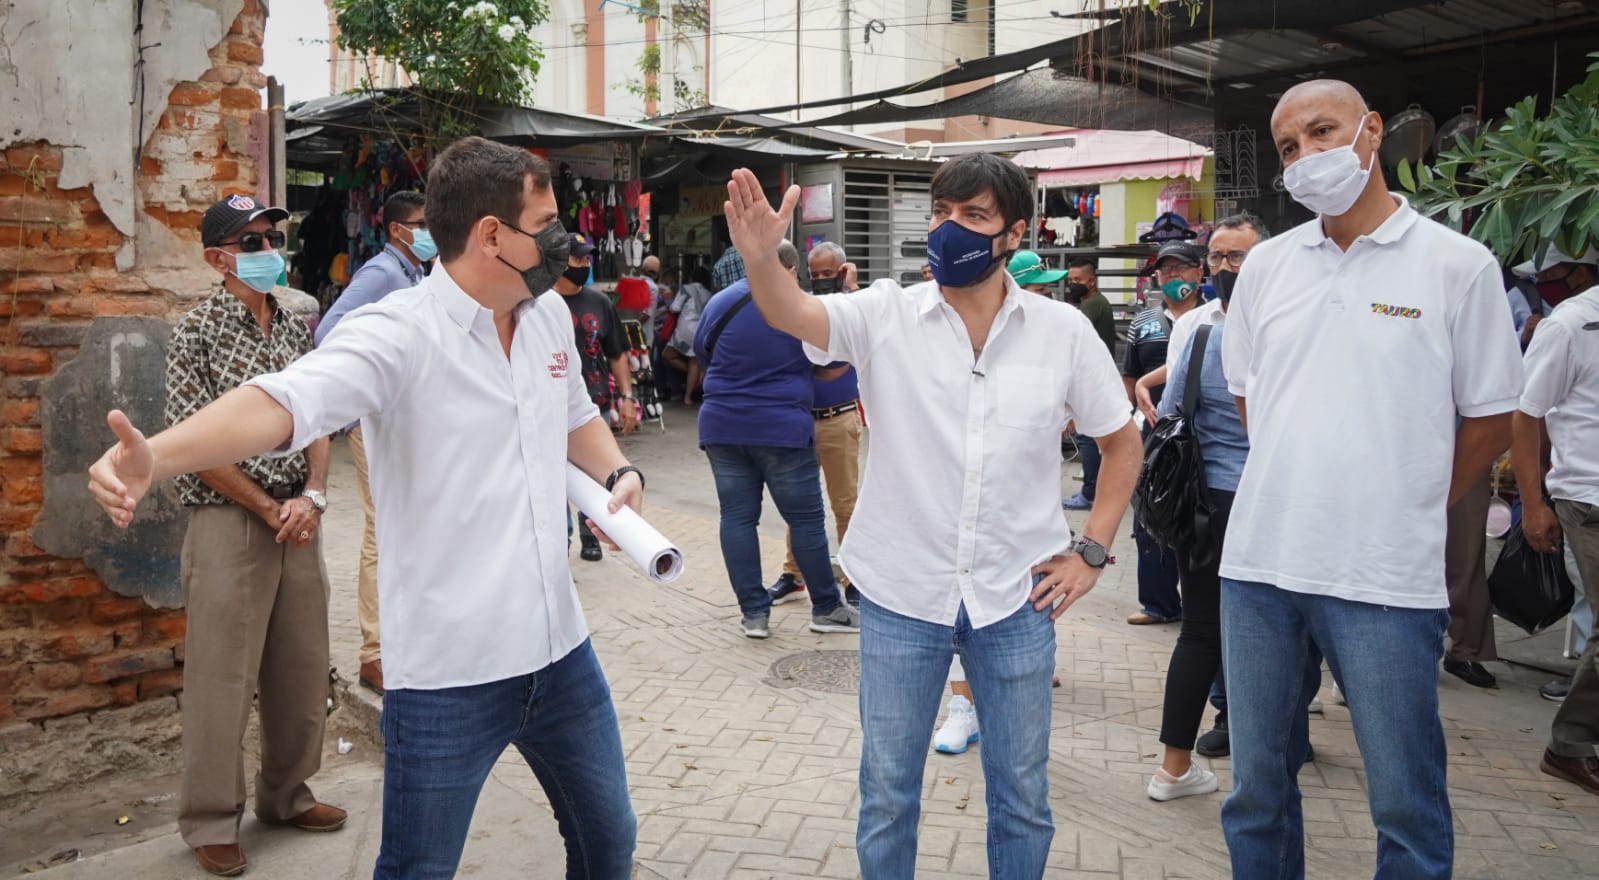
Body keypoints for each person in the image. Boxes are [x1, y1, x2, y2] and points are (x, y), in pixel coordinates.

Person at [88, 138, 640, 879]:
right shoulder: (397, 333)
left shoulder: (544, 317)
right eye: (544, 221)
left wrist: (617, 469)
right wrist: (157, 455)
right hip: (450, 676)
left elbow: (575, 412)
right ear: (491, 236)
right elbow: (287, 401)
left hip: (563, 656)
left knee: (609, 843)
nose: (560, 238)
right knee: (418, 868)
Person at [723, 152, 1142, 877]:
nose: (950, 231)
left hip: (1017, 598)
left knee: (1021, 798)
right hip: (899, 596)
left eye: (973, 217)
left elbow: (1120, 441)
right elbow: (792, 311)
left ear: (1014, 232)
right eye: (942, 214)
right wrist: (763, 259)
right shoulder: (886, 312)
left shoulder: (1061, 332)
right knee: (887, 794)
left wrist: (1094, 551)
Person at [1219, 81, 1522, 879]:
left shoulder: (1458, 266)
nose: (1307, 155)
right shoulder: (1266, 269)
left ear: (1372, 131)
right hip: (1256, 571)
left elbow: (1490, 417)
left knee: (1404, 802)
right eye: (1289, 147)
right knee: (1255, 792)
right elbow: (1252, 400)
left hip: (1384, 579)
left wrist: (1410, 497)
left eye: (1322, 131)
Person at [159, 195, 342, 876]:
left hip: (299, 517)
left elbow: (319, 414)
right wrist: (268, 507)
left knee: (301, 662)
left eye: (273, 236)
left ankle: (287, 795)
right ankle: (210, 818)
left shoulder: (296, 325)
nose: (269, 248)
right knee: (222, 675)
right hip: (230, 520)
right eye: (252, 240)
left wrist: (313, 496)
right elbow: (191, 443)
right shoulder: (196, 332)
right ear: (217, 257)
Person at [1145, 213, 1265, 802]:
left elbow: (1170, 415)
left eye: (1237, 257)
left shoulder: (1199, 331)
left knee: (1207, 634)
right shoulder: (1199, 330)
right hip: (1232, 503)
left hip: (1233, 505)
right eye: (1217, 256)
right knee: (1225, 635)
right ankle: (1248, 765)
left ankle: (1178, 767)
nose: (1224, 268)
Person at [695, 240, 861, 638]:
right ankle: (825, 608)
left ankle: (754, 614)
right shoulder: (794, 303)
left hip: (722, 426)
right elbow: (834, 363)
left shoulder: (720, 302)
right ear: (787, 270)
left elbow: (703, 352)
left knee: (736, 518)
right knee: (804, 520)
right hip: (781, 429)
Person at [313, 190, 432, 695]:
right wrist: (373, 381)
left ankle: (402, 642)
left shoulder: (417, 275)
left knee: (405, 526)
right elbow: (328, 330)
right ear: (399, 231)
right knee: (380, 529)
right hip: (373, 420)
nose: (431, 232)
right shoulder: (382, 274)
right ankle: (374, 653)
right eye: (423, 224)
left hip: (405, 419)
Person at [1513, 255, 1599, 795]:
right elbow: (1526, 414)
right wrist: (1533, 503)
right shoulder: (1570, 326)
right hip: (1586, 497)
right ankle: (1568, 744)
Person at [769, 241, 864, 609]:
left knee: (846, 504)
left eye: (830, 273)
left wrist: (850, 288)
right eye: (817, 273)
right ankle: (793, 574)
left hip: (839, 418)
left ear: (842, 270)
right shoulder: (805, 306)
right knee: (801, 505)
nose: (822, 279)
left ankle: (854, 577)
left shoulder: (857, 305)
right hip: (801, 421)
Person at [1120, 241, 1203, 626]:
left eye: (1181, 268)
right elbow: (1131, 375)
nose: (1172, 276)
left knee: (1200, 514)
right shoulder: (1144, 322)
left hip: (1203, 432)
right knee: (1150, 514)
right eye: (1165, 270)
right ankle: (1158, 602)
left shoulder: (1215, 316)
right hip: (1153, 434)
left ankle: (1202, 604)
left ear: (1199, 272)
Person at [555, 233, 639, 561]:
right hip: (553, 408)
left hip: (595, 404)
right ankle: (559, 542)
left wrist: (627, 397)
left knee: (595, 475)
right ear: (560, 261)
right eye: (578, 259)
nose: (585, 264)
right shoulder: (539, 303)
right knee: (555, 477)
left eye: (587, 258)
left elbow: (617, 353)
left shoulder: (599, 303)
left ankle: (591, 533)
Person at [1061, 258, 1117, 512]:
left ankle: (1090, 493)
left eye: (1078, 281)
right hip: (1094, 375)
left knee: (1087, 437)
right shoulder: (1092, 302)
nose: (1073, 285)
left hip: (1089, 377)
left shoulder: (1092, 306)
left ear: (1091, 281)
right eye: (1070, 281)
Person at [665, 265, 715, 405]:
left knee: (667, 355)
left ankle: (693, 381)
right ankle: (689, 394)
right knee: (694, 363)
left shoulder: (685, 289)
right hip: (700, 331)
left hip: (684, 330)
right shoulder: (708, 293)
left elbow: (674, 308)